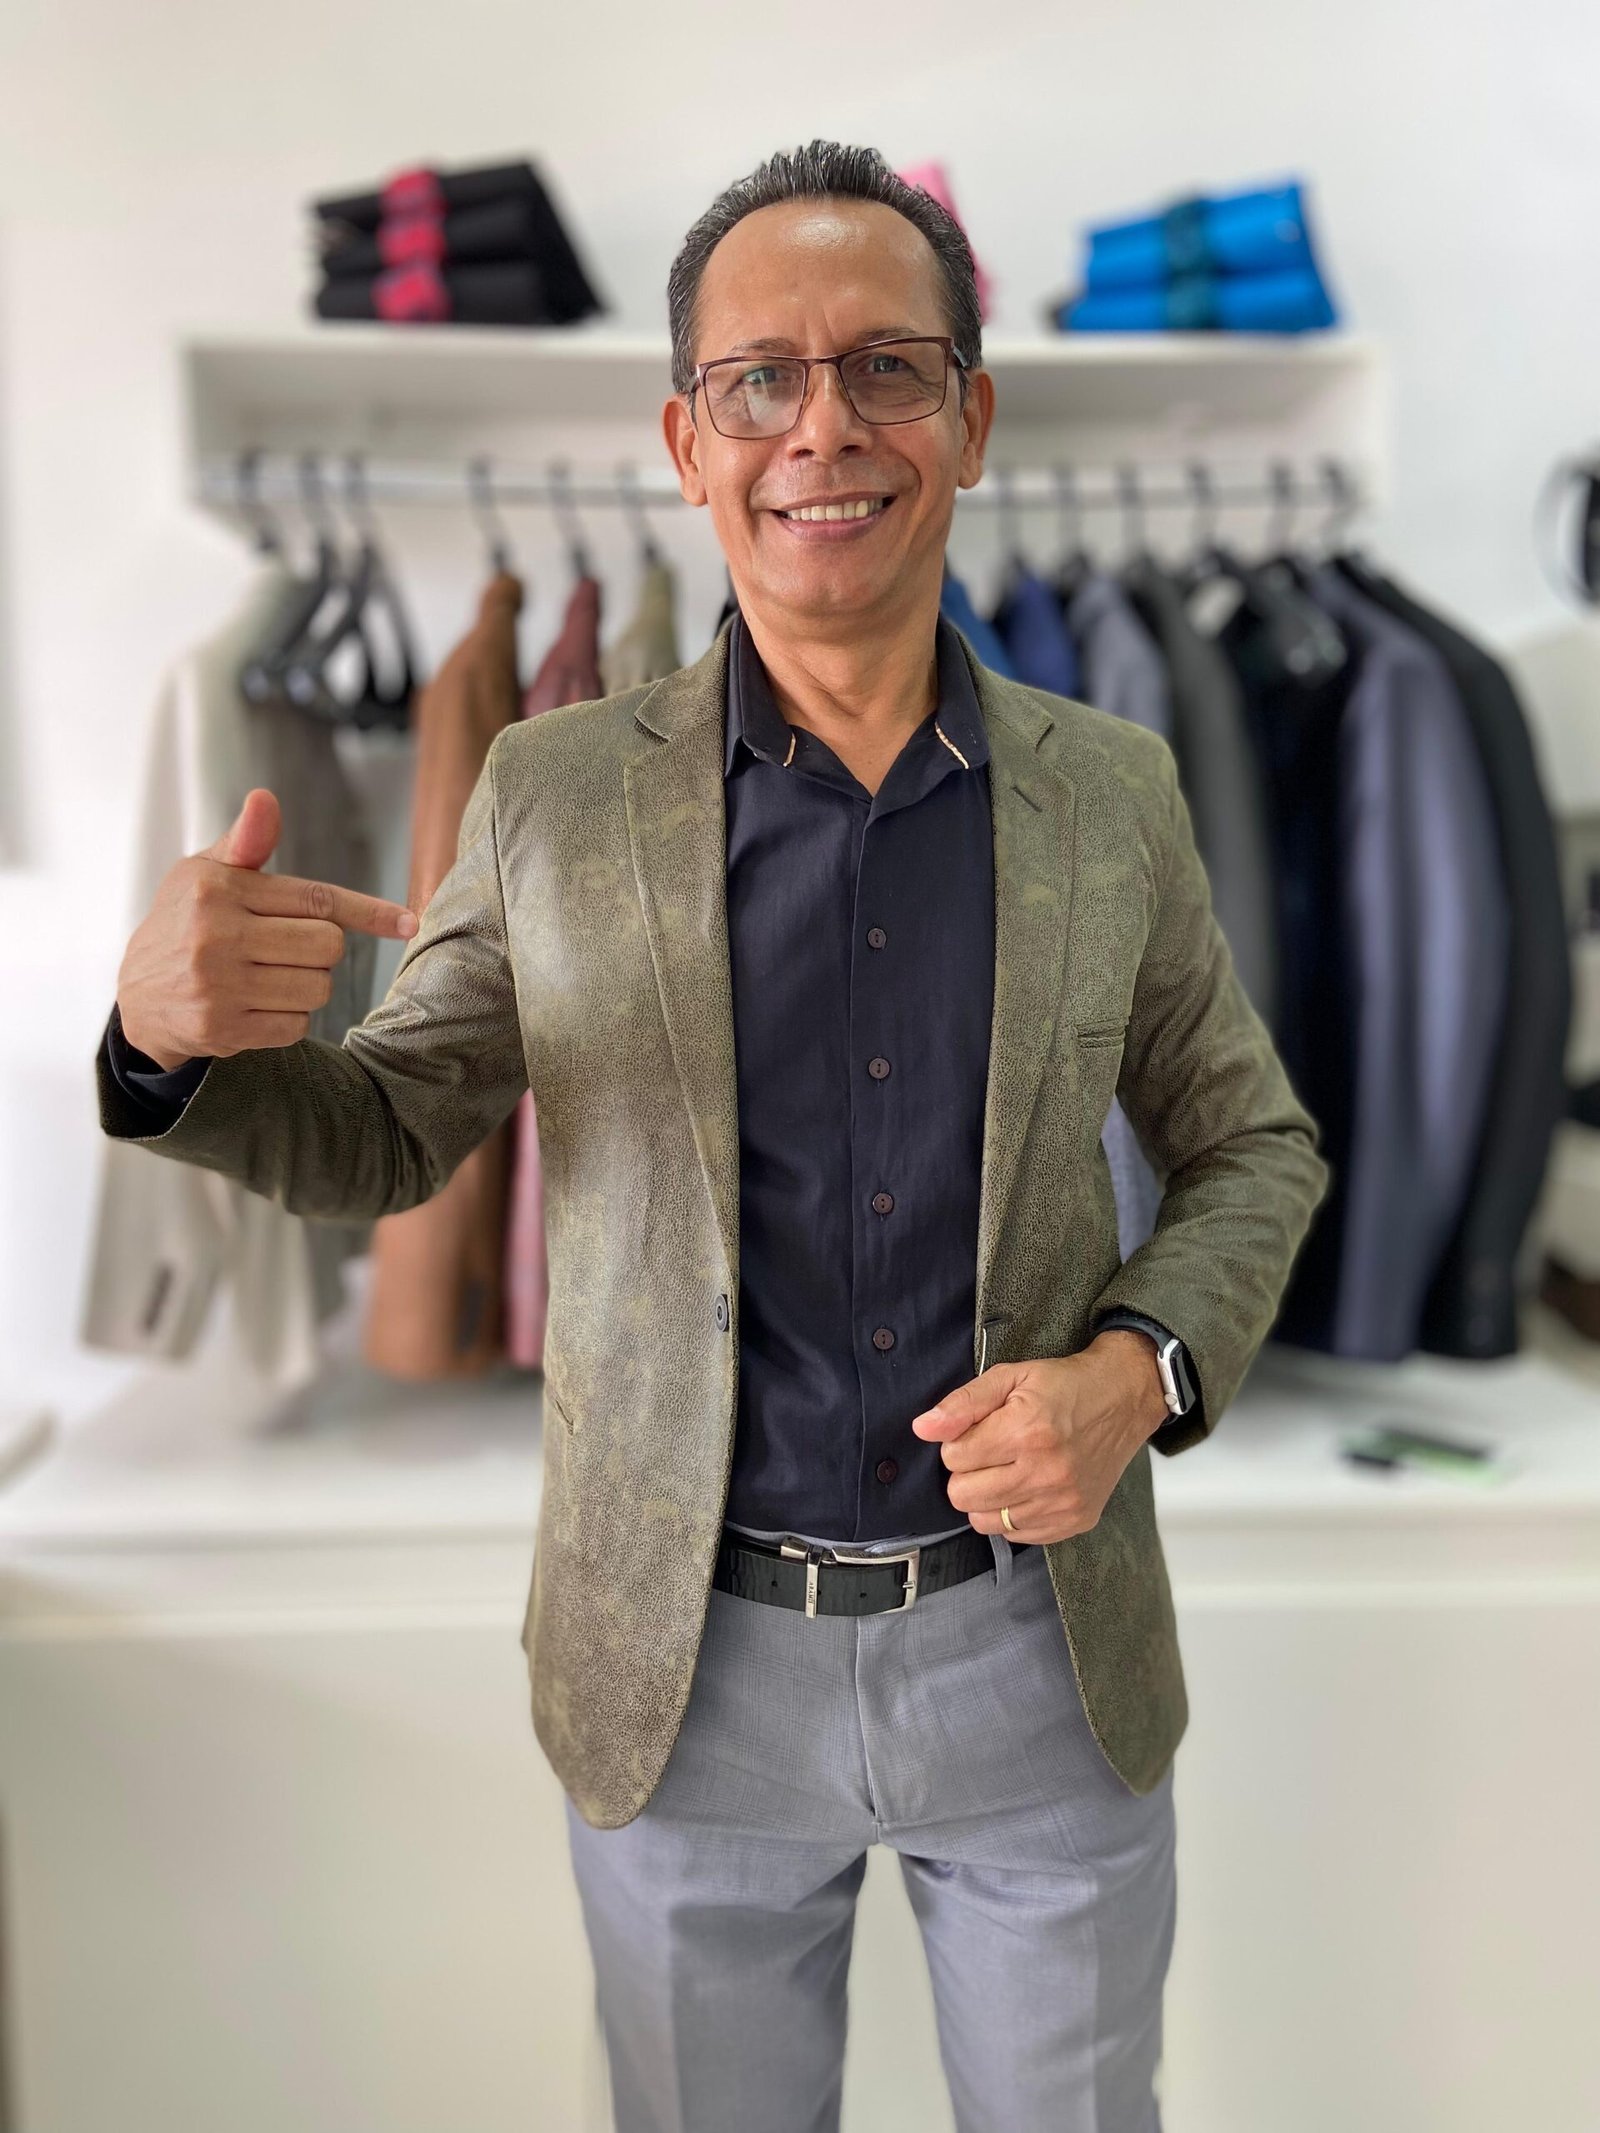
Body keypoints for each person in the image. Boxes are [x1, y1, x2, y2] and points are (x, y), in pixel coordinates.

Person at [98, 140, 1329, 2133]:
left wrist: (1137, 1370)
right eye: (761, 378)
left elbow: (1252, 1143)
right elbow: (387, 1129)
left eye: (885, 368)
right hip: (683, 1677)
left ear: (971, 419)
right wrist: (166, 1048)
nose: (821, 427)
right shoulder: (551, 789)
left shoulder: (1111, 792)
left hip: (1037, 1655)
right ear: (688, 441)